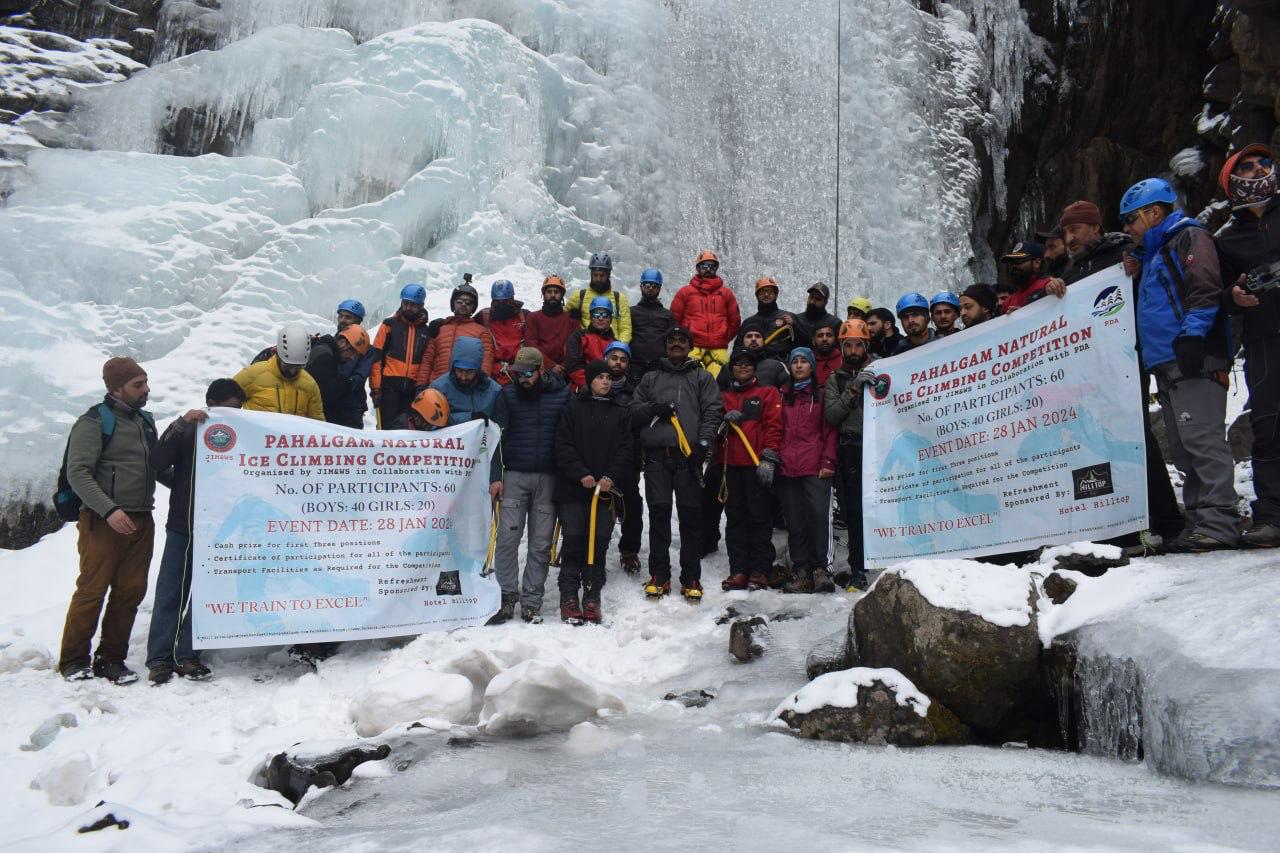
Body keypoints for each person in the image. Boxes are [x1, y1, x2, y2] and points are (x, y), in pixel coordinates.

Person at [1121, 177, 1239, 552]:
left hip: (1194, 356)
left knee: (1202, 440)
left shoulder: (1190, 238)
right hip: (1168, 363)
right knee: (1184, 447)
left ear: (1153, 213)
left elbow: (1203, 286)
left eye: (1131, 220)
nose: (1127, 230)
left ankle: (1220, 522)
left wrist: (1193, 334)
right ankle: (1201, 520)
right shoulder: (1156, 252)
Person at [57, 358, 160, 684]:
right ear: (116, 388)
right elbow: (78, 473)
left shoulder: (144, 422)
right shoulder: (93, 422)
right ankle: (73, 660)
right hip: (103, 521)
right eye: (137, 385)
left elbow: (157, 467)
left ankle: (111, 659)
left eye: (145, 382)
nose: (145, 389)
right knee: (92, 589)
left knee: (131, 591)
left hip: (141, 519)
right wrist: (109, 510)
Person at [146, 378, 246, 685]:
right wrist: (180, 424)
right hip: (183, 524)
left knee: (204, 594)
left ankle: (187, 654)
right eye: (229, 409)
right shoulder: (189, 430)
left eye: (239, 410)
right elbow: (157, 461)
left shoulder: (243, 435)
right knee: (171, 591)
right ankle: (159, 658)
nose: (234, 415)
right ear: (211, 405)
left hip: (217, 531)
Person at [1217, 144, 1280, 547]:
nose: (1259, 170)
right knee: (1269, 424)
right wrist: (1234, 297)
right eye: (1248, 166)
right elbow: (1216, 292)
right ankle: (1272, 516)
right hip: (1262, 338)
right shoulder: (1226, 238)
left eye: (1265, 163)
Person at [633, 326, 723, 600]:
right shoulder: (650, 377)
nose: (676, 345)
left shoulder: (702, 377)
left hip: (689, 459)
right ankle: (659, 575)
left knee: (690, 518)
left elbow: (713, 410)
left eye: (682, 341)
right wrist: (653, 408)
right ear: (666, 345)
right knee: (659, 516)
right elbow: (634, 410)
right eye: (671, 341)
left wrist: (704, 445)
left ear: (689, 346)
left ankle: (691, 575)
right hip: (657, 458)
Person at [489, 347, 571, 624]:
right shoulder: (508, 394)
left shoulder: (562, 395)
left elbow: (568, 437)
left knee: (540, 543)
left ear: (540, 370)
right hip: (514, 475)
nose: (521, 378)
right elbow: (496, 438)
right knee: (508, 539)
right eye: (517, 373)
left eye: (527, 373)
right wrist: (495, 477)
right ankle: (506, 595)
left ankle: (532, 600)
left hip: (549, 478)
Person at [554, 359, 634, 624]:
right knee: (574, 543)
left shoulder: (620, 412)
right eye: (600, 377)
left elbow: (626, 449)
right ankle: (568, 596)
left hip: (605, 493)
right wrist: (581, 473)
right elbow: (562, 446)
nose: (606, 381)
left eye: (609, 377)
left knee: (597, 545)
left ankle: (592, 595)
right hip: (574, 491)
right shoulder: (572, 409)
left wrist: (610, 476)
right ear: (589, 381)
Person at [716, 349, 783, 592]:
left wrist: (769, 459)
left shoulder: (767, 393)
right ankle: (739, 569)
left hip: (756, 466)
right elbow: (713, 426)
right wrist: (723, 424)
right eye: (738, 364)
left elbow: (774, 426)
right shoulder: (723, 396)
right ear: (731, 368)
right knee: (735, 519)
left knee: (759, 518)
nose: (743, 367)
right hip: (730, 466)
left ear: (754, 368)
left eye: (747, 364)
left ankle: (760, 570)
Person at [777, 346, 838, 593]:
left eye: (804, 361)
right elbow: (775, 429)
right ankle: (802, 570)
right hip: (787, 467)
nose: (799, 366)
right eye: (795, 362)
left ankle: (821, 569)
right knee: (794, 520)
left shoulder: (821, 395)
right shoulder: (781, 396)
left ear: (812, 366)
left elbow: (830, 431)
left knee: (818, 516)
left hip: (815, 466)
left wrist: (828, 461)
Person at [825, 319, 878, 590]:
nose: (854, 350)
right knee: (855, 511)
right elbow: (832, 415)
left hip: (879, 447)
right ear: (842, 348)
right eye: (849, 345)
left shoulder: (882, 370)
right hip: (852, 448)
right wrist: (854, 388)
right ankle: (858, 567)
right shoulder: (836, 379)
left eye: (859, 344)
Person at [602, 341, 645, 574]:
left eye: (623, 359)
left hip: (628, 456)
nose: (618, 362)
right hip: (599, 457)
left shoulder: (635, 391)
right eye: (614, 357)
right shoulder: (593, 388)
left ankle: (629, 550)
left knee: (631, 505)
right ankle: (596, 549)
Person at [671, 250, 741, 377]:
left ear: (716, 269)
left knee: (720, 384)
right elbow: (674, 319)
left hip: (718, 347)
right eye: (704, 266)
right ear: (698, 268)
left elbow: (735, 321)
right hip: (692, 346)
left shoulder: (726, 294)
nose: (708, 269)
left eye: (712, 266)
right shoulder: (685, 293)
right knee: (690, 380)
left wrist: (724, 335)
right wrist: (684, 338)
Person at [234, 325, 325, 420]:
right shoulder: (252, 374)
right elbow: (225, 403)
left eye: (298, 367)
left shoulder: (309, 384)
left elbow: (317, 422)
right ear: (278, 355)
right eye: (288, 365)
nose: (292, 370)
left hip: (291, 434)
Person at [371, 284, 431, 425]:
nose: (408, 308)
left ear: (421, 305)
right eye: (405, 303)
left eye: (413, 305)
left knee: (408, 429)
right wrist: (376, 388)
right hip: (389, 386)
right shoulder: (389, 325)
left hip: (413, 389)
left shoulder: (426, 331)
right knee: (386, 428)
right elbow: (376, 357)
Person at [419, 280, 495, 385]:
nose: (463, 304)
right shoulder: (440, 328)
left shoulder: (481, 332)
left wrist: (480, 385)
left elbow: (486, 362)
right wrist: (421, 385)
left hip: (466, 387)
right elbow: (427, 360)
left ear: (473, 307)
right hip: (437, 386)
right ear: (453, 303)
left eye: (468, 302)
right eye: (459, 301)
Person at [428, 336, 502, 427]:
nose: (463, 377)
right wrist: (469, 417)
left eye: (469, 372)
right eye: (459, 370)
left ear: (478, 369)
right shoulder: (438, 389)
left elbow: (501, 426)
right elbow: (430, 423)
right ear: (453, 367)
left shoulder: (494, 391)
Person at [1058, 200, 1134, 286]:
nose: (1068, 239)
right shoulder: (1067, 278)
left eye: (1074, 229)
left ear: (1095, 228)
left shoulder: (1129, 254)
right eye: (1064, 233)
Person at [565, 252, 632, 343]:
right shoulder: (579, 296)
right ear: (591, 275)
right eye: (595, 275)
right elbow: (561, 320)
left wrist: (618, 348)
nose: (598, 279)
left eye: (602, 276)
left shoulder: (619, 299)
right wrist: (569, 317)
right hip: (585, 349)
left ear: (608, 275)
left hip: (611, 349)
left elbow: (625, 328)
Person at [524, 274, 579, 379]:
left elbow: (576, 347)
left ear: (562, 295)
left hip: (566, 370)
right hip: (539, 368)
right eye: (549, 292)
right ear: (544, 294)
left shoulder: (572, 319)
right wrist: (551, 365)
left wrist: (563, 366)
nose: (553, 295)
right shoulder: (533, 317)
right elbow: (531, 344)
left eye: (556, 292)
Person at [628, 268, 674, 382]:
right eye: (647, 285)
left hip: (659, 366)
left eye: (654, 286)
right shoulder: (631, 312)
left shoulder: (667, 315)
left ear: (659, 288)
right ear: (641, 286)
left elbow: (673, 339)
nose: (650, 288)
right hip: (634, 365)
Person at [564, 295, 620, 389]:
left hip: (609, 388)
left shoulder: (616, 344)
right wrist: (590, 385)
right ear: (590, 317)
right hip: (583, 388)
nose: (600, 318)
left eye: (605, 314)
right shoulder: (578, 337)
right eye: (596, 314)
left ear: (610, 319)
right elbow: (573, 365)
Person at [479, 279, 527, 385]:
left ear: (512, 299)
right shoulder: (484, 316)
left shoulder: (524, 316)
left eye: (506, 301)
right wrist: (442, 322)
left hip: (519, 371)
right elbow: (465, 322)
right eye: (497, 302)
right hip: (493, 372)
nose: (502, 305)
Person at [326, 325, 374, 428]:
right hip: (333, 407)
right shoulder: (327, 353)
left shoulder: (366, 349)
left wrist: (347, 384)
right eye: (341, 316)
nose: (352, 358)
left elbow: (360, 376)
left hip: (351, 408)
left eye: (348, 317)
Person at [719, 322, 789, 388]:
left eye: (757, 336)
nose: (753, 339)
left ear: (763, 341)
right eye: (749, 336)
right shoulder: (728, 368)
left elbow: (789, 393)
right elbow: (718, 396)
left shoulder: (776, 366)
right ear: (742, 341)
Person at [744, 276, 798, 359]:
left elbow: (803, 342)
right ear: (757, 296)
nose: (766, 295)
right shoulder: (748, 322)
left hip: (781, 364)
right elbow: (738, 348)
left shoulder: (789, 317)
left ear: (776, 295)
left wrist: (795, 326)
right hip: (755, 365)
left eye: (769, 292)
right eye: (762, 292)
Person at [999, 241, 1051, 312]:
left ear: (1037, 263)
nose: (1014, 266)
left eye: (1018, 261)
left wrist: (1025, 315)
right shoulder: (1008, 303)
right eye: (1011, 263)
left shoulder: (1048, 285)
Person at [794, 281, 841, 347]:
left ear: (825, 302)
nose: (812, 302)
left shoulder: (834, 323)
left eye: (818, 299)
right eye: (811, 297)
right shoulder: (797, 319)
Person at [811, 320, 843, 386]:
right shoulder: (808, 361)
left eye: (829, 335)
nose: (824, 339)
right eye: (820, 336)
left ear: (834, 339)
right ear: (813, 341)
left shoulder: (843, 360)